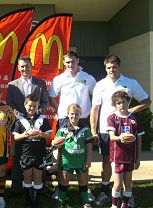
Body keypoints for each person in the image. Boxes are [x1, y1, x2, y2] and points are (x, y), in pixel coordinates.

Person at [90, 55, 151, 207]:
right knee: (106, 161)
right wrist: (94, 131)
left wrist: (131, 110)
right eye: (109, 67)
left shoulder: (131, 83)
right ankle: (105, 192)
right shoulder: (100, 85)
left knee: (127, 162)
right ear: (105, 68)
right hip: (106, 130)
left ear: (119, 66)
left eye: (114, 66)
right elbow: (95, 109)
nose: (112, 70)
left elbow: (147, 101)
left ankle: (127, 196)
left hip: (127, 131)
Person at [48, 51, 96, 202]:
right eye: (67, 62)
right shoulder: (59, 79)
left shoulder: (88, 78)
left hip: (83, 120)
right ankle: (61, 187)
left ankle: (85, 189)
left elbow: (97, 96)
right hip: (64, 120)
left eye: (73, 61)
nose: (70, 65)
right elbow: (51, 95)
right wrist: (60, 111)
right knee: (61, 156)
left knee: (84, 154)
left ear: (78, 61)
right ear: (64, 63)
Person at [6, 55, 48, 194]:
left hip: (37, 124)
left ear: (31, 66)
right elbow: (10, 103)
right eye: (22, 66)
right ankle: (17, 187)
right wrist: (21, 117)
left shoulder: (40, 83)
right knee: (18, 156)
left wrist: (36, 114)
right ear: (19, 68)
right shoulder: (12, 85)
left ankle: (41, 187)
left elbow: (44, 102)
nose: (25, 68)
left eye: (27, 66)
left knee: (39, 157)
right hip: (20, 124)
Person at [13, 94, 51, 208]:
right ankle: (28, 201)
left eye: (34, 106)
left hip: (39, 154)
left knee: (38, 178)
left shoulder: (42, 119)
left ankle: (36, 201)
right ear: (25, 105)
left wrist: (41, 134)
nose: (32, 108)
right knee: (27, 178)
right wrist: (25, 135)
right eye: (30, 106)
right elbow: (15, 137)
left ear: (38, 106)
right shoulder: (20, 120)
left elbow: (49, 135)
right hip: (26, 154)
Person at [106, 90, 143, 208]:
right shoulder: (112, 117)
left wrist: (138, 159)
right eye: (118, 103)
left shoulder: (134, 118)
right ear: (115, 104)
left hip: (130, 156)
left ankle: (125, 205)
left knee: (128, 182)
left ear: (129, 101)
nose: (121, 105)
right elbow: (112, 137)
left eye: (124, 102)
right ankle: (114, 205)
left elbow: (139, 140)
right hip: (117, 156)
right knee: (117, 183)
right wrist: (120, 138)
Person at [53, 104, 93, 208]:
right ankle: (60, 202)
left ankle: (85, 202)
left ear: (80, 115)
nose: (74, 116)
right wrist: (55, 145)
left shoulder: (85, 129)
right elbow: (58, 145)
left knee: (83, 182)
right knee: (64, 182)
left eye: (77, 114)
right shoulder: (62, 129)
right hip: (67, 161)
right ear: (68, 114)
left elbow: (89, 146)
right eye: (72, 114)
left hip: (81, 161)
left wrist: (89, 160)